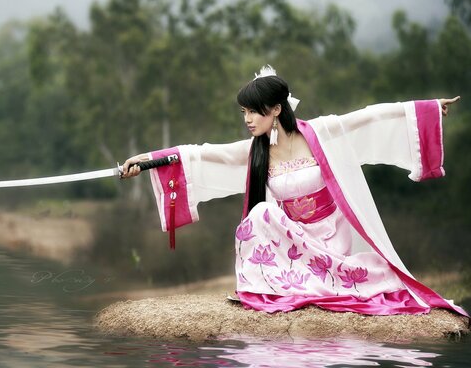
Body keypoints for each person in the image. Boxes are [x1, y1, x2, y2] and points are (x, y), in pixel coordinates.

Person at [121, 65, 467, 317]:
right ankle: (271, 285)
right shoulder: (255, 149)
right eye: (244, 112)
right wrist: (147, 159)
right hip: (294, 242)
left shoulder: (319, 133)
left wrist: (427, 108)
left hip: (333, 237)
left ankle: (324, 278)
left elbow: (368, 117)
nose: (248, 120)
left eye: (254, 111)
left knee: (372, 275)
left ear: (275, 109)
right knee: (259, 214)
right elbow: (200, 152)